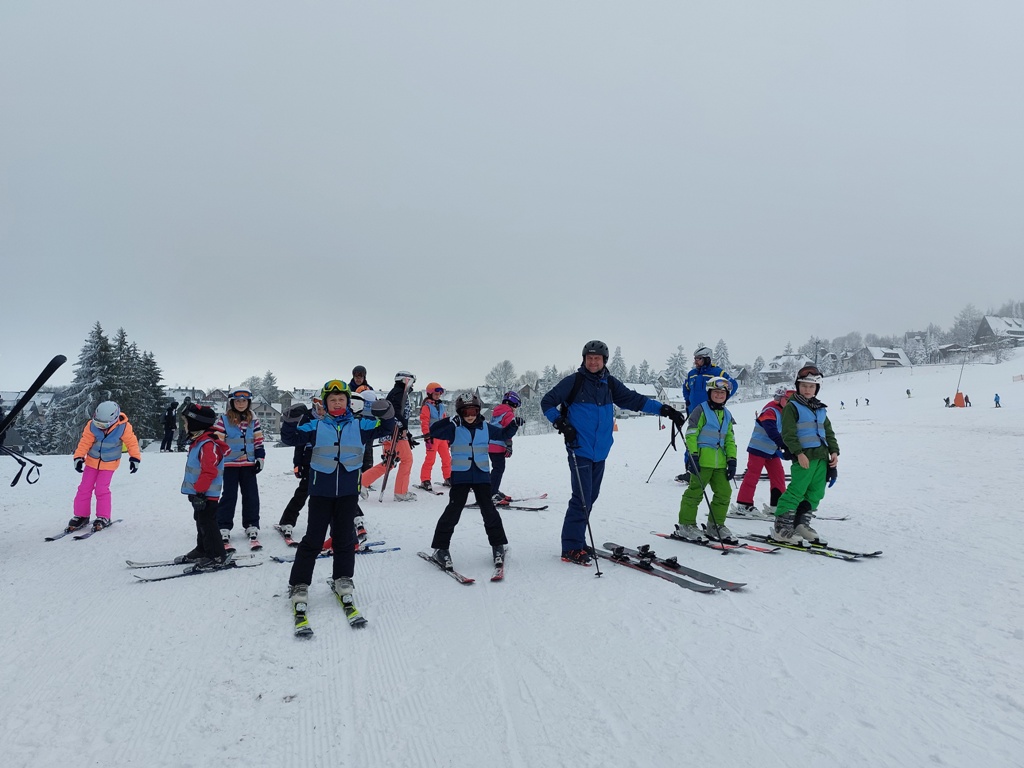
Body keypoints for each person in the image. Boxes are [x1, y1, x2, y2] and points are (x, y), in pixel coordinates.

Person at [541, 340, 685, 565]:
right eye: (589, 358)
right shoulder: (574, 382)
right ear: (584, 360)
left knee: (590, 497)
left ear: (604, 361)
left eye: (597, 359)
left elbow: (635, 400)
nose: (593, 362)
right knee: (581, 498)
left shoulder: (609, 384)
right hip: (579, 448)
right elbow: (547, 402)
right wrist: (560, 422)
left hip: (600, 451)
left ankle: (578, 541)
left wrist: (664, 409)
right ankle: (570, 547)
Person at [281, 380, 395, 618]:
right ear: (325, 403)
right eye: (332, 400)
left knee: (344, 539)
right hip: (320, 493)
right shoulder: (315, 425)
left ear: (348, 402)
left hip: (347, 493)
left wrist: (386, 413)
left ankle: (343, 579)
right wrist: (290, 420)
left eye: (341, 399)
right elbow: (291, 438)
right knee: (313, 539)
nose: (336, 403)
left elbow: (386, 428)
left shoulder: (361, 425)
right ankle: (299, 583)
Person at [427, 393, 522, 571]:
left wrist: (513, 425)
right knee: (453, 512)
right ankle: (440, 548)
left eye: (473, 412)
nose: (470, 416)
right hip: (461, 476)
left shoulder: (486, 427)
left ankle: (498, 545)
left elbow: (503, 434)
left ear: (478, 411)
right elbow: (434, 431)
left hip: (481, 476)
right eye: (466, 412)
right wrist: (450, 422)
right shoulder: (454, 428)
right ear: (460, 413)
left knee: (489, 511)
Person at [770, 365, 840, 545]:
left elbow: (828, 432)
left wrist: (834, 451)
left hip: (821, 457)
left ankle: (800, 524)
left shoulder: (820, 408)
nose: (807, 389)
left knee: (816, 492)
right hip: (804, 456)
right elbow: (788, 434)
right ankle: (782, 528)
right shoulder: (792, 407)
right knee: (797, 490)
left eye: (811, 386)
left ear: (817, 388)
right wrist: (798, 453)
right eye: (804, 386)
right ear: (798, 386)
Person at [674, 377, 739, 544]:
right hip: (702, 461)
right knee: (695, 493)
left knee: (724, 493)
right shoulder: (700, 410)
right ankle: (686, 524)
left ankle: (715, 525)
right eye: (716, 392)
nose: (719, 395)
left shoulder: (727, 414)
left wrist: (732, 459)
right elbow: (691, 434)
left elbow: (730, 439)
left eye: (722, 393)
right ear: (709, 393)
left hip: (720, 463)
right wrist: (693, 456)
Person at [66, 401, 141, 532]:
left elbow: (132, 443)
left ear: (114, 419)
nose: (100, 427)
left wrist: (135, 458)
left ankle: (103, 516)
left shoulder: (123, 427)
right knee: (84, 488)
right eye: (98, 423)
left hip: (109, 463)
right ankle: (81, 516)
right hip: (91, 461)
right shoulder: (91, 425)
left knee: (101, 489)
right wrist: (78, 457)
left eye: (103, 425)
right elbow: (85, 442)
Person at [176, 403, 232, 566]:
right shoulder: (198, 442)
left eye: (186, 422)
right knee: (201, 522)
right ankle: (203, 549)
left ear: (196, 424)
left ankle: (216, 555)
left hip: (206, 494)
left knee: (208, 523)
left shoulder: (207, 445)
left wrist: (200, 492)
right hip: (199, 494)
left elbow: (209, 471)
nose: (185, 426)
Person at [677, 346, 738, 482]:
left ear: (707, 359)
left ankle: (713, 470)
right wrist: (688, 401)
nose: (695, 361)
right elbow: (686, 388)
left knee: (710, 441)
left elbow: (733, 385)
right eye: (695, 359)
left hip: (710, 414)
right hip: (695, 413)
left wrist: (721, 399)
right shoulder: (692, 373)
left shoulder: (717, 372)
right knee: (692, 439)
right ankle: (690, 470)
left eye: (699, 359)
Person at [214, 389, 266, 549]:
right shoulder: (223, 420)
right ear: (232, 403)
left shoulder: (253, 421)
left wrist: (260, 458)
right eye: (237, 401)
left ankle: (251, 524)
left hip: (248, 465)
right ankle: (223, 526)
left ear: (249, 403)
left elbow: (258, 441)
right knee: (229, 496)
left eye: (244, 401)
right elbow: (218, 441)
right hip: (230, 465)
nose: (241, 404)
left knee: (251, 495)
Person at [732, 386, 791, 517]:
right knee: (753, 475)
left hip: (772, 450)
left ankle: (777, 505)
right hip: (758, 448)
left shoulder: (785, 412)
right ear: (779, 398)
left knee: (778, 475)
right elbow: (771, 430)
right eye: (787, 400)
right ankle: (743, 505)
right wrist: (784, 445)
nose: (790, 403)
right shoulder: (770, 410)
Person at [360, 371, 417, 501]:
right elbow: (396, 413)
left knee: (389, 462)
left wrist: (407, 432)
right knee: (407, 460)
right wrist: (403, 427)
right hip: (395, 433)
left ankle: (362, 482)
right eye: (411, 382)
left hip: (390, 433)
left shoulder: (396, 392)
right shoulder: (399, 393)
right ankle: (401, 492)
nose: (412, 385)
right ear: (405, 380)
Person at [277, 395, 323, 538]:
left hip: (331, 461)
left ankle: (354, 516)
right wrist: (297, 464)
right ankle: (287, 521)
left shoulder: (334, 419)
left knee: (338, 492)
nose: (321, 408)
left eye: (324, 404)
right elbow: (298, 443)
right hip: (310, 460)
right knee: (303, 491)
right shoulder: (307, 418)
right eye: (318, 404)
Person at [488, 390, 522, 505]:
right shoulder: (508, 413)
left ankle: (493, 489)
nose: (515, 409)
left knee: (496, 468)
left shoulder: (497, 411)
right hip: (498, 445)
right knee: (498, 469)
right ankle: (492, 494)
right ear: (513, 403)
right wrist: (509, 445)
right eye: (516, 406)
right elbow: (508, 431)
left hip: (490, 444)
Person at [417, 382, 452, 492]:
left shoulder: (441, 406)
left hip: (442, 437)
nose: (438, 396)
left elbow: (445, 421)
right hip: (432, 437)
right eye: (436, 394)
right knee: (430, 459)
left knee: (447, 459)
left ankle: (448, 477)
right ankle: (425, 480)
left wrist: (448, 436)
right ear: (430, 394)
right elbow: (424, 422)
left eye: (439, 394)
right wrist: (427, 436)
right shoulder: (426, 407)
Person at [350, 365, 375, 471]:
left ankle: (367, 473)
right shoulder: (347, 389)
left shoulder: (369, 390)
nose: (358, 379)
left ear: (364, 377)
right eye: (356, 377)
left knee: (368, 449)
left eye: (360, 377)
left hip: (367, 422)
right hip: (352, 423)